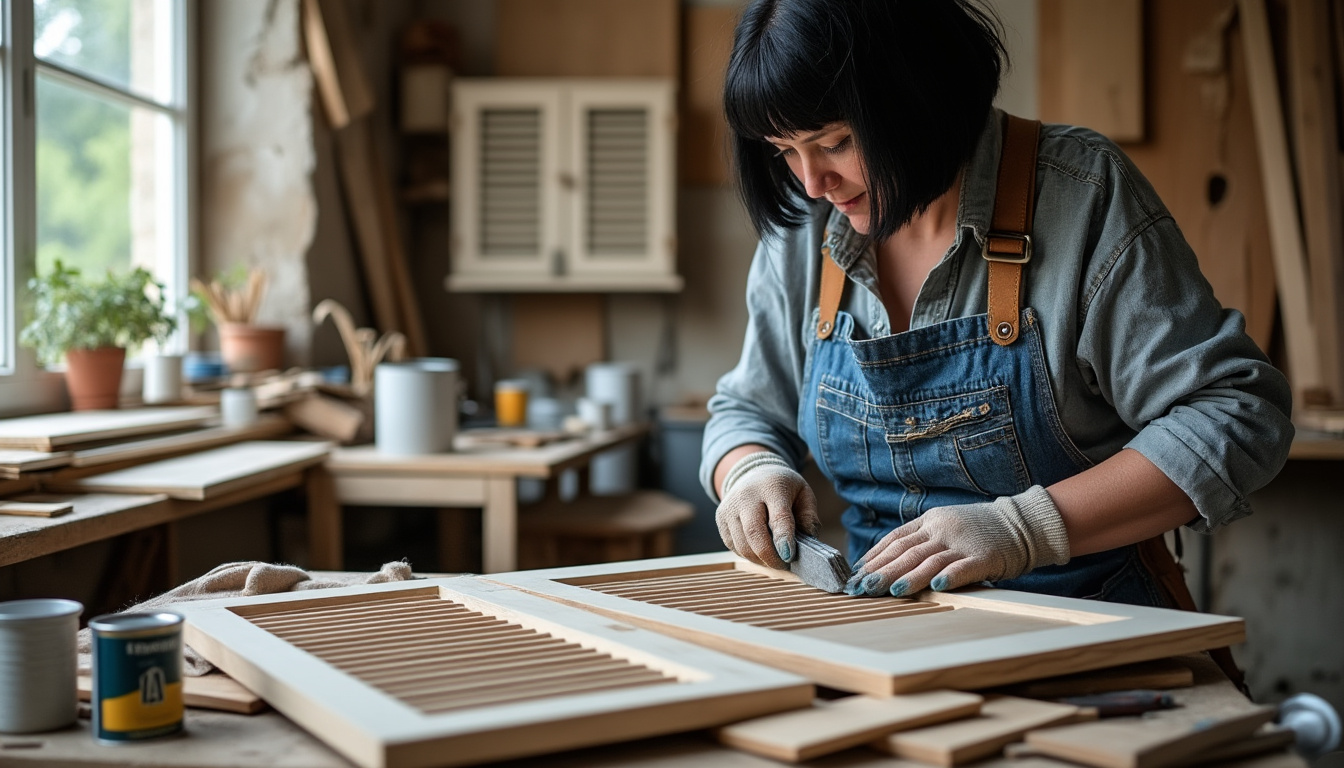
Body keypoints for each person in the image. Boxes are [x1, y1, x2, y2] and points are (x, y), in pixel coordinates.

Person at [700, 0, 1293, 608]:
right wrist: (748, 472)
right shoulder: (808, 226)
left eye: (838, 142)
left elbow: (1236, 413)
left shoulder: (1079, 194)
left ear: (920, 95)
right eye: (785, 151)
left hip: (1087, 626)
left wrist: (1024, 529)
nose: (812, 183)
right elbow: (748, 410)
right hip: (879, 631)